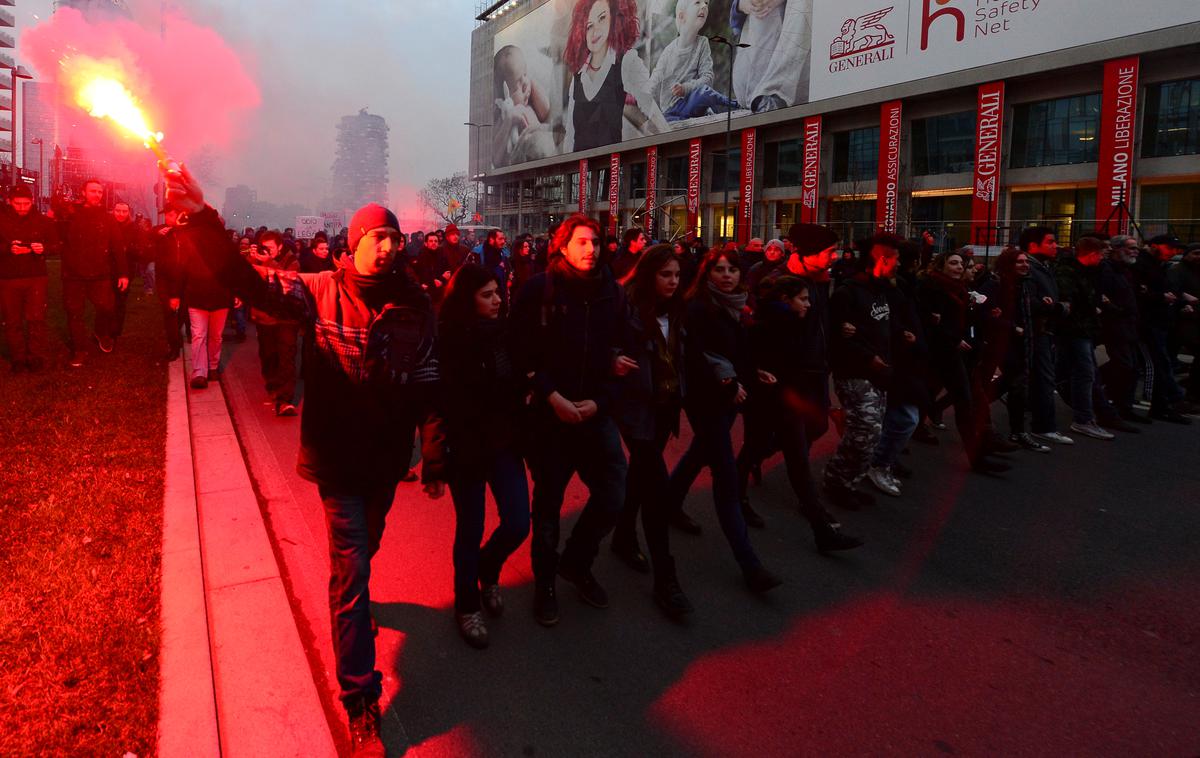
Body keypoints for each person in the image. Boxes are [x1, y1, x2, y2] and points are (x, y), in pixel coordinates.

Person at [164, 164, 446, 756]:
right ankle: (360, 699)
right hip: (337, 459)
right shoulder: (317, 291)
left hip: (387, 459)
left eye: (395, 237)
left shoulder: (415, 306)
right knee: (350, 573)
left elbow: (427, 381)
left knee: (367, 548)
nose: (389, 246)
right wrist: (203, 216)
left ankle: (360, 601)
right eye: (378, 236)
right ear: (353, 244)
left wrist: (434, 454)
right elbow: (247, 277)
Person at [510, 213, 631, 626]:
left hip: (596, 414)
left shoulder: (612, 294)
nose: (591, 250)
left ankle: (576, 562)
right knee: (548, 505)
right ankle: (544, 582)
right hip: (550, 418)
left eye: (595, 243)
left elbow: (626, 356)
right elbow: (518, 352)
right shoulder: (537, 290)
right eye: (581, 242)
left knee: (614, 492)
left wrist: (602, 401)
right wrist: (550, 396)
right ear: (562, 246)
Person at [665, 247, 782, 593]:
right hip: (707, 400)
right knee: (725, 475)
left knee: (700, 452)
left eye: (732, 269)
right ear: (707, 273)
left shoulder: (734, 306)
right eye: (720, 269)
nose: (727, 275)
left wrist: (750, 372)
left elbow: (735, 351)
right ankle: (750, 564)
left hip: (730, 396)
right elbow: (697, 359)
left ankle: (669, 501)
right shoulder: (699, 308)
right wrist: (728, 384)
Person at [438, 264, 531, 648]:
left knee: (517, 522)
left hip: (505, 443)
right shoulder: (451, 339)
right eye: (487, 295)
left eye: (498, 293)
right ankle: (466, 603)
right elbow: (444, 400)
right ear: (467, 299)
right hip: (467, 449)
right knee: (470, 528)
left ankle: (487, 570)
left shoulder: (507, 334)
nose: (497, 300)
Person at [747, 272, 866, 549]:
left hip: (787, 405)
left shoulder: (794, 322)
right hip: (771, 404)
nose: (808, 305)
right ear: (786, 300)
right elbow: (760, 361)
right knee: (772, 459)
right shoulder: (770, 325)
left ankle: (821, 530)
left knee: (795, 465)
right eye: (803, 300)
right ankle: (734, 497)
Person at [609, 244, 694, 617]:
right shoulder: (625, 308)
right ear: (648, 275)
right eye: (665, 275)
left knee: (641, 479)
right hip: (635, 409)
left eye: (676, 275)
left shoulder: (678, 310)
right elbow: (601, 343)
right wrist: (612, 359)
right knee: (655, 486)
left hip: (665, 407)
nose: (673, 282)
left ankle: (623, 537)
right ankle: (666, 579)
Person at [823, 235, 901, 508]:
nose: (898, 264)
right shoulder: (847, 293)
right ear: (881, 260)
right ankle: (835, 481)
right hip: (854, 372)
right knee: (864, 430)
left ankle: (849, 483)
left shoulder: (882, 290)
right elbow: (837, 336)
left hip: (880, 373)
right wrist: (868, 356)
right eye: (894, 259)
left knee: (871, 434)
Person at [917, 251, 1010, 474]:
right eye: (953, 263)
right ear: (941, 266)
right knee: (957, 398)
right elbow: (930, 323)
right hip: (940, 352)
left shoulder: (960, 290)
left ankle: (979, 451)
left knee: (964, 400)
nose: (959, 267)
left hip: (954, 353)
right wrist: (953, 338)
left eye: (961, 264)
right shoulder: (932, 288)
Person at [563, 0, 670, 153]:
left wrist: (673, 146)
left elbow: (653, 110)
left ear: (615, 19)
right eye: (589, 25)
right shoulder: (578, 78)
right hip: (578, 174)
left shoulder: (626, 62)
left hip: (612, 171)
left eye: (602, 18)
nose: (595, 31)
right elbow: (570, 137)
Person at [1053, 237, 1127, 438]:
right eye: (1102, 254)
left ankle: (1085, 416)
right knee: (1084, 373)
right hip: (1076, 329)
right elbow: (1068, 299)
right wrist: (1090, 306)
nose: (1104, 258)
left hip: (1083, 329)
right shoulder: (1069, 271)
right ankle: (1083, 419)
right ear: (1092, 253)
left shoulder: (1086, 271)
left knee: (1074, 371)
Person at [981, 248, 1051, 452]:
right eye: (1019, 262)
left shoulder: (1024, 285)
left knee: (1016, 385)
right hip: (999, 344)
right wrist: (1011, 327)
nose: (1025, 265)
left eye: (1026, 261)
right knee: (1011, 384)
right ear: (1008, 265)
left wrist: (1047, 306)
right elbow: (983, 312)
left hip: (1022, 343)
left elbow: (1026, 309)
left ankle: (1017, 431)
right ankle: (988, 424)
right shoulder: (995, 284)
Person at [61, 178, 127, 367]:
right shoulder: (73, 215)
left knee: (107, 308)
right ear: (84, 193)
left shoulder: (108, 218)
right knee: (75, 313)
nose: (97, 194)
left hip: (100, 274)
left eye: (99, 191)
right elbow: (60, 238)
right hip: (74, 275)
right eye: (93, 191)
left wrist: (123, 273)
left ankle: (100, 333)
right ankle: (79, 350)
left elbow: (117, 247)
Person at [1020, 227, 1075, 445]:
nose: (1056, 246)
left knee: (1029, 379)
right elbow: (1032, 303)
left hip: (1046, 330)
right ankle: (1044, 426)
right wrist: (1058, 308)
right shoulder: (1030, 268)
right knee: (1042, 378)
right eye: (1050, 242)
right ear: (1033, 245)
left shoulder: (1044, 266)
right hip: (1036, 331)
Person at [647, 0, 738, 122]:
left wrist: (686, 88)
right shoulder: (669, 51)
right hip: (671, 111)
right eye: (697, 2)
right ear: (681, 16)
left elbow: (708, 79)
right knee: (702, 97)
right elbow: (655, 80)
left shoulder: (702, 43)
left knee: (703, 92)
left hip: (693, 102)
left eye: (706, 3)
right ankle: (723, 107)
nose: (704, 6)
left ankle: (733, 105)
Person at [0, 184, 57, 372]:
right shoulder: (2, 220)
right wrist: (8, 249)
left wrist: (44, 248)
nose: (22, 208)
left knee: (36, 318)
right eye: (18, 204)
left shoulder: (42, 221)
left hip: (35, 277)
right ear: (10, 202)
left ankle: (36, 357)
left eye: (26, 204)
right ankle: (18, 359)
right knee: (12, 320)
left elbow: (56, 244)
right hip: (8, 278)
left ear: (32, 202)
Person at [1136, 235, 1191, 423]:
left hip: (1159, 321)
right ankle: (1163, 403)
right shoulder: (1142, 265)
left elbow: (1163, 289)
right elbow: (1140, 293)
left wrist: (1179, 302)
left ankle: (1164, 403)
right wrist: (1161, 298)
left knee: (1155, 363)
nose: (1173, 252)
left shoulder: (1158, 265)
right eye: (1169, 248)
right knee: (1156, 364)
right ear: (1154, 246)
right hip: (1147, 323)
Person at [252, 231, 302, 415]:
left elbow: (287, 279)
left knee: (286, 356)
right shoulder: (257, 259)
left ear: (280, 246)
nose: (267, 251)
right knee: (268, 354)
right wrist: (253, 261)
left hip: (287, 316)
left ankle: (285, 399)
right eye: (264, 248)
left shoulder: (291, 260)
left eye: (270, 248)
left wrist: (267, 263)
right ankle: (272, 385)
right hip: (265, 316)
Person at [152, 209, 185, 362]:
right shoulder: (161, 231)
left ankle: (176, 342)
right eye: (167, 214)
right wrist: (158, 236)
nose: (168, 217)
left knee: (180, 313)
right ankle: (174, 346)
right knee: (169, 313)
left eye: (172, 214)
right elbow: (148, 238)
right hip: (164, 279)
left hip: (180, 279)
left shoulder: (183, 233)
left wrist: (176, 293)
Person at [110, 201, 138, 338]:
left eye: (124, 211)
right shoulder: (108, 226)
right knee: (107, 303)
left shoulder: (133, 228)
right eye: (118, 211)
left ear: (129, 213)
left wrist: (128, 249)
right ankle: (105, 331)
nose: (121, 214)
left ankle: (115, 333)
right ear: (113, 211)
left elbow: (140, 250)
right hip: (107, 271)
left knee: (120, 303)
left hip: (125, 272)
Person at [416, 230, 451, 306]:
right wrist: (433, 281)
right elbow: (422, 274)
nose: (434, 243)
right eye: (431, 241)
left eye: (435, 241)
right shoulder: (422, 256)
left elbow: (448, 272)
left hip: (440, 293)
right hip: (427, 294)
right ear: (426, 243)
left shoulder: (442, 255)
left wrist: (441, 280)